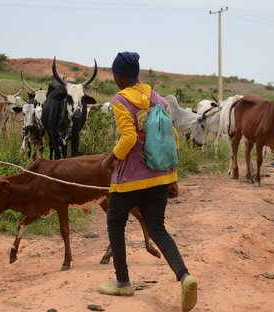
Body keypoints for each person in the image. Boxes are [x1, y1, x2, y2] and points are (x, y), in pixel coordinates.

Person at [97, 51, 198, 312]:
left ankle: (122, 282)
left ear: (119, 76)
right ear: (138, 74)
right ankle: (185, 276)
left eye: (114, 74)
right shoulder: (156, 98)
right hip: (160, 175)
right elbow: (172, 136)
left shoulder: (121, 99)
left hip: (130, 178)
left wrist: (109, 160)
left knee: (115, 221)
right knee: (157, 228)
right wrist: (172, 177)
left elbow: (128, 138)